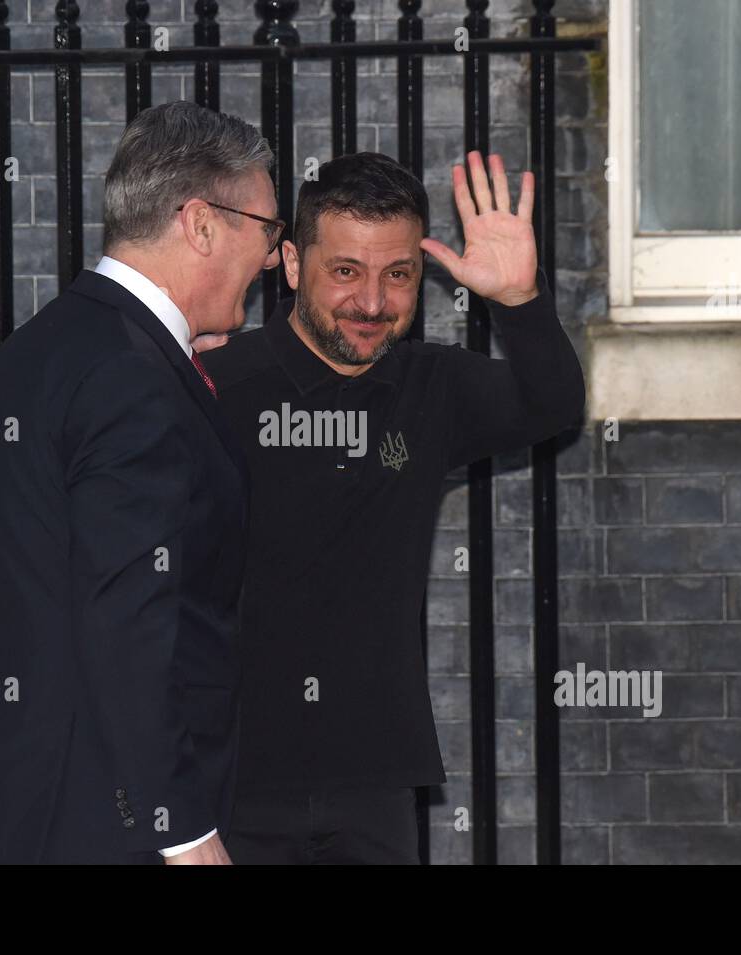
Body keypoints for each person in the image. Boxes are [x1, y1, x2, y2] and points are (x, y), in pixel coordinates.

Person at [199, 149, 586, 864]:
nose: (372, 302)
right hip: (228, 781)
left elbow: (554, 404)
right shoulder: (215, 386)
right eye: (345, 271)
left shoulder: (432, 386)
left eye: (397, 274)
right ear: (291, 264)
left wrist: (519, 301)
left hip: (375, 780)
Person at [0, 101, 279, 864]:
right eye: (266, 229)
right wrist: (184, 830)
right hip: (109, 824)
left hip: (25, 802)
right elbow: (128, 619)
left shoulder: (43, 346)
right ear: (200, 223)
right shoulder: (134, 377)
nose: (270, 258)